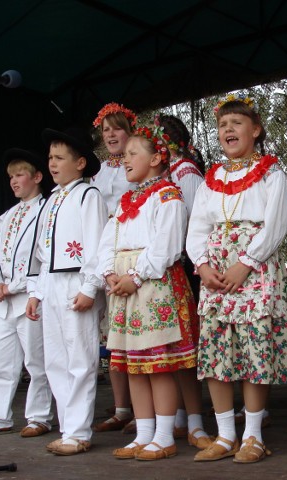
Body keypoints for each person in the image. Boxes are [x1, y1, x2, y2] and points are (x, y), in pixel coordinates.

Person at [186, 93, 287, 464]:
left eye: (236, 123)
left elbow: (277, 224)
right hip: (217, 273)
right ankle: (225, 435)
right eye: (222, 125)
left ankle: (252, 435)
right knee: (218, 351)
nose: (228, 129)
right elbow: (197, 228)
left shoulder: (271, 173)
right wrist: (202, 265)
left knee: (253, 349)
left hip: (253, 269)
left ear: (256, 129)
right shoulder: (211, 178)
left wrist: (246, 262)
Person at [97, 124, 198, 461]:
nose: (124, 160)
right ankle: (143, 434)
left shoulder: (167, 194)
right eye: (123, 155)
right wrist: (109, 272)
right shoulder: (126, 200)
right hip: (124, 288)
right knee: (132, 365)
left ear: (156, 157)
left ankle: (165, 436)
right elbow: (106, 242)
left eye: (132, 154)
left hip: (151, 286)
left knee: (158, 364)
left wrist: (136, 276)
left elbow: (166, 245)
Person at [26, 127, 108, 455]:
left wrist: (90, 287)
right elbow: (40, 253)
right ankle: (67, 426)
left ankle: (78, 431)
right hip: (51, 284)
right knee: (55, 360)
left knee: (80, 357)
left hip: (76, 282)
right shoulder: (51, 201)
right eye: (50, 158)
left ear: (81, 163)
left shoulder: (89, 196)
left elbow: (97, 244)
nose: (52, 163)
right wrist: (35, 291)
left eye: (60, 157)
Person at [0, 149, 53, 436]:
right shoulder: (5, 217)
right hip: (4, 301)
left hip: (30, 296)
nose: (14, 181)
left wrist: (23, 288)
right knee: (1, 360)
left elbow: (45, 258)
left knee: (36, 361)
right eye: (11, 177)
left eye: (20, 175)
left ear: (37, 177)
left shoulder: (46, 210)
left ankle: (39, 417)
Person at [157, 113, 212, 449]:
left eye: (162, 136)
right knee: (169, 343)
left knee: (185, 343)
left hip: (186, 265)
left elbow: (193, 223)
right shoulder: (165, 174)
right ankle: (175, 416)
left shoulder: (186, 172)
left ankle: (192, 419)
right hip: (167, 265)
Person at [90, 102, 138, 435]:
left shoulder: (140, 164)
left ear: (129, 131)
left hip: (134, 252)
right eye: (105, 130)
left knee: (138, 333)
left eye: (116, 128)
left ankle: (148, 408)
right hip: (107, 253)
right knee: (113, 337)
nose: (109, 135)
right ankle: (122, 407)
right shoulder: (99, 171)